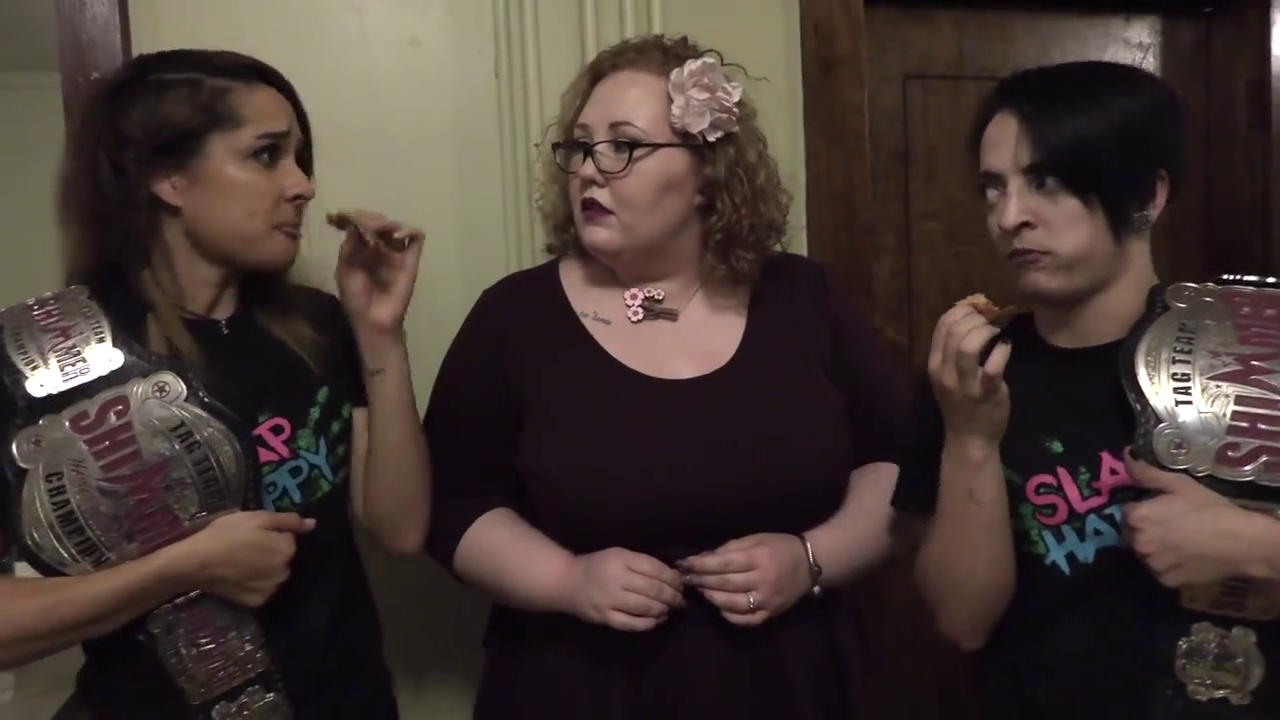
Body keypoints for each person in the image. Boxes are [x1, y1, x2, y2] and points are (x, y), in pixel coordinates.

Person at [422, 33, 906, 719]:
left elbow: (896, 461)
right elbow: (453, 503)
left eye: (623, 146)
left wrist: (811, 559)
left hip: (789, 687)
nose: (590, 170)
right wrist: (566, 579)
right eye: (580, 147)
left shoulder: (804, 299)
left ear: (708, 176)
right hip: (581, 690)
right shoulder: (514, 317)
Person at [0, 49, 431, 719]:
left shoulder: (317, 326)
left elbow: (401, 529)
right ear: (168, 177)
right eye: (266, 154)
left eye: (300, 157)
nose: (303, 184)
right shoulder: (52, 360)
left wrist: (381, 335)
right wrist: (181, 568)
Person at [892, 60, 1280, 718]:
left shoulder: (1257, 347)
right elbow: (962, 622)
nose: (1009, 216)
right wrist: (970, 438)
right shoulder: (973, 372)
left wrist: (1260, 549)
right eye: (993, 187)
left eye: (1045, 182)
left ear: (1147, 195)